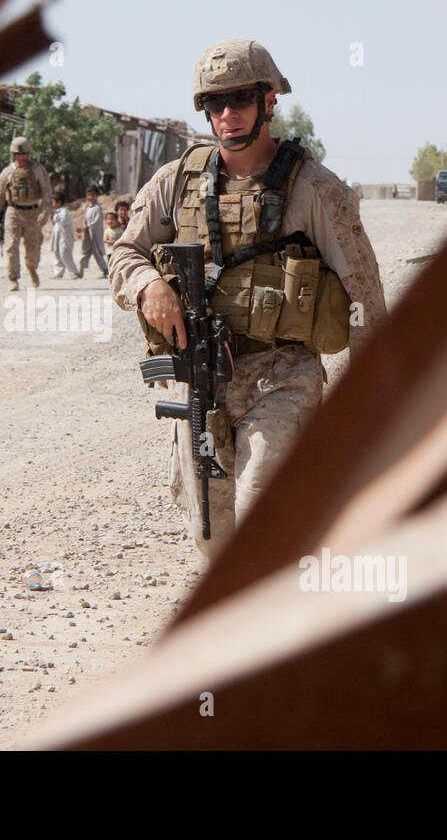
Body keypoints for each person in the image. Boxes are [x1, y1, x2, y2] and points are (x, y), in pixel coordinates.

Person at [108, 38, 386, 560]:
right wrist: (149, 285)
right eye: (215, 104)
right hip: (202, 383)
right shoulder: (176, 182)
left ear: (269, 101)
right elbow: (124, 253)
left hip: (282, 377)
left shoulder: (316, 189)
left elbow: (365, 295)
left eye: (239, 100)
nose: (228, 114)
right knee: (213, 538)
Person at [0, 136, 52, 291]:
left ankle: (31, 268)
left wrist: (45, 212)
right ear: (14, 154)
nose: (22, 157)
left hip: (32, 212)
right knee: (11, 246)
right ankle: (13, 279)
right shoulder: (7, 172)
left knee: (33, 248)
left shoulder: (38, 170)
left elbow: (46, 192)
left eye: (25, 154)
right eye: (19, 154)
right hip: (13, 211)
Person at [77, 184, 108, 279]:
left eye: (92, 195)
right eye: (88, 195)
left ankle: (105, 270)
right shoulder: (89, 208)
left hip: (95, 235)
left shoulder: (97, 208)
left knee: (97, 253)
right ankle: (80, 270)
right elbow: (86, 221)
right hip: (88, 235)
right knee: (85, 252)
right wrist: (84, 228)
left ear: (97, 195)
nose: (90, 197)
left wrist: (87, 227)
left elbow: (97, 221)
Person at [50, 195, 79, 279]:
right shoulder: (57, 212)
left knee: (65, 254)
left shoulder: (64, 212)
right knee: (57, 253)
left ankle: (74, 272)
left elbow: (64, 221)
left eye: (54, 202)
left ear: (59, 202)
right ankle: (58, 273)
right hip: (57, 236)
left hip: (64, 237)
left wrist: (55, 216)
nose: (53, 204)